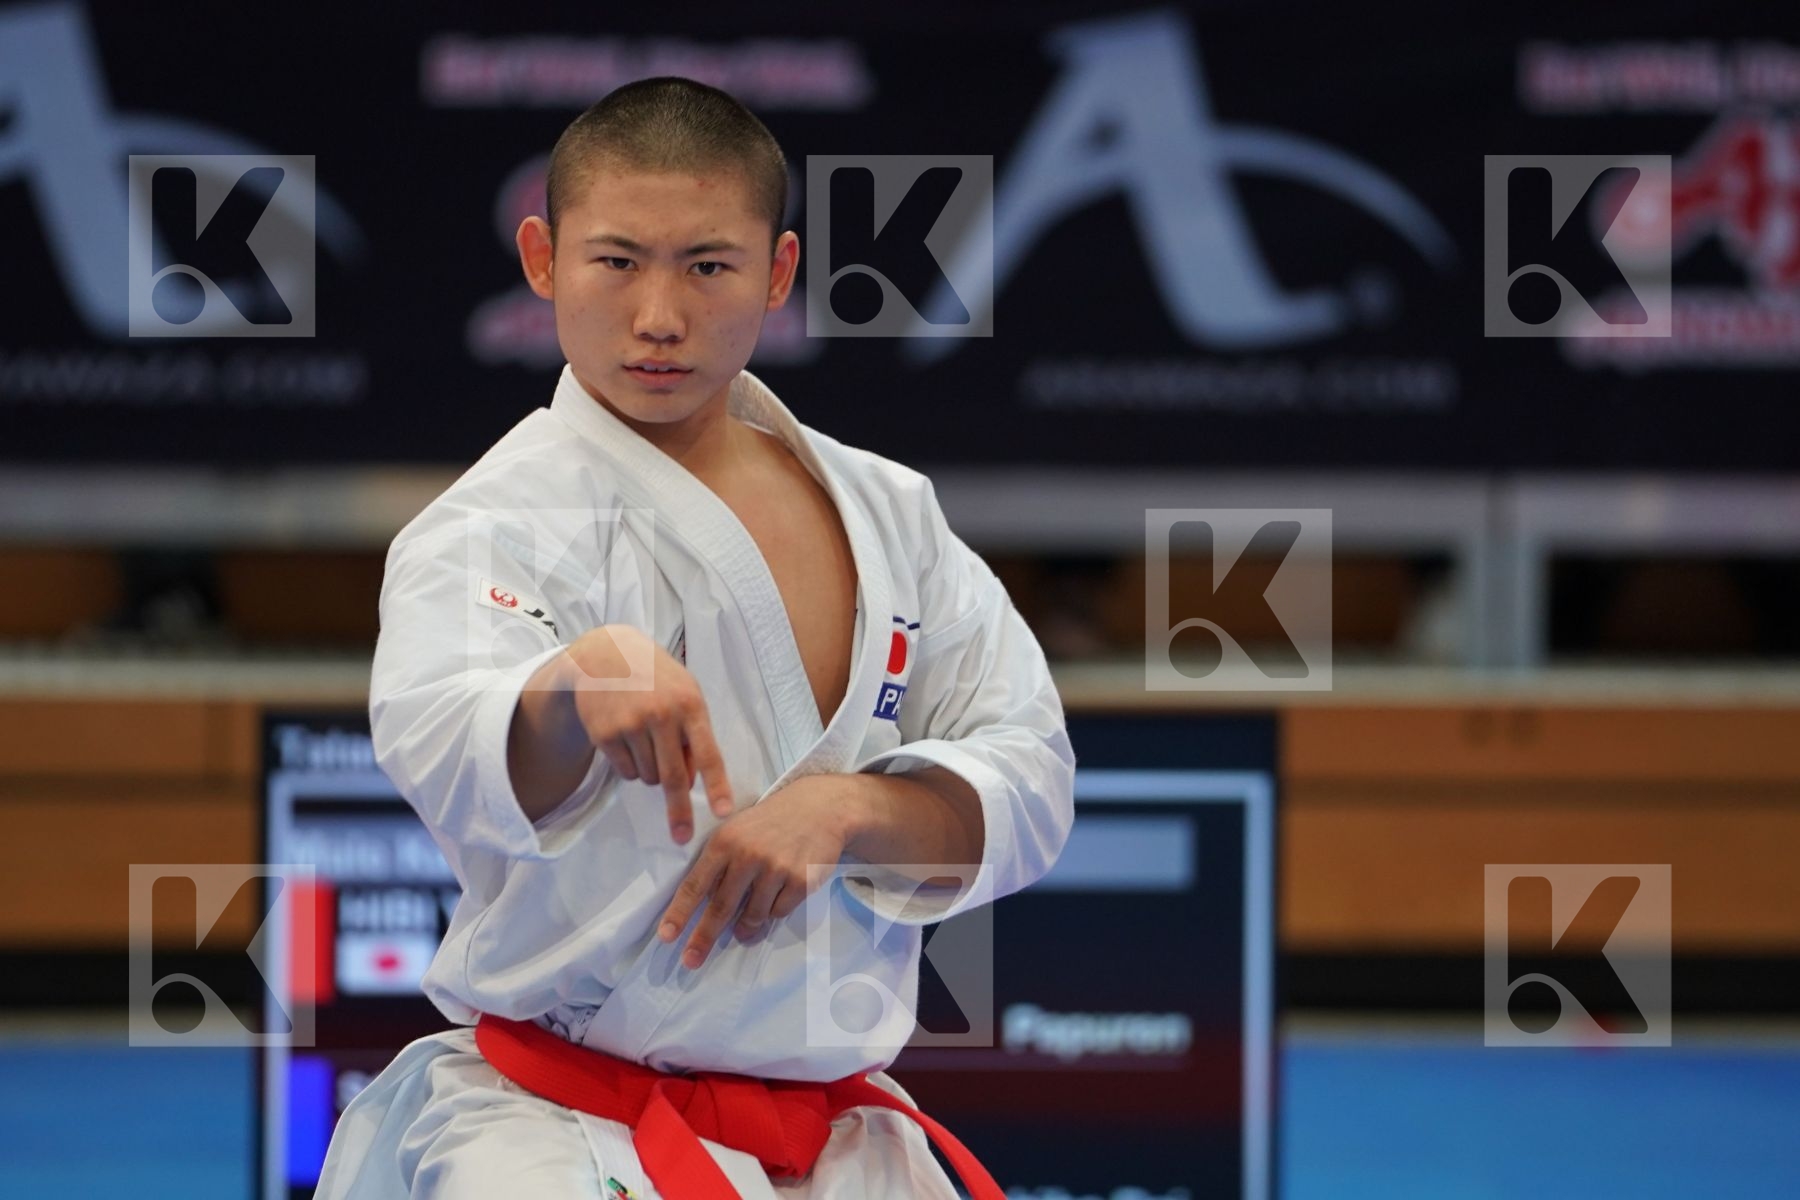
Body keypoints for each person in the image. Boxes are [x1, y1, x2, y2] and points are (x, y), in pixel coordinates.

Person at [314, 76, 1075, 1199]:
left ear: (776, 273)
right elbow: (442, 735)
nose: (658, 314)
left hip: (843, 1138)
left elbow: (1030, 772)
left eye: (707, 266)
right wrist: (568, 694)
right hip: (554, 1131)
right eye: (616, 261)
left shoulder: (890, 509)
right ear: (542, 258)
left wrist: (855, 808)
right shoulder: (493, 522)